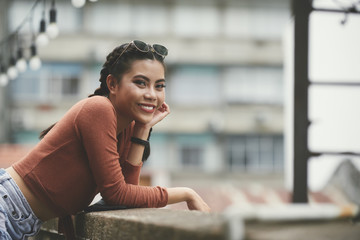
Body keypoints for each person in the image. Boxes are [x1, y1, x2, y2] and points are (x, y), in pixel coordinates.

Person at [0, 40, 210, 240]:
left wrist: (143, 129)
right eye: (140, 83)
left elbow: (125, 197)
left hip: (21, 221)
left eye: (159, 86)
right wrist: (186, 193)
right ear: (113, 84)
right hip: (6, 208)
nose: (152, 95)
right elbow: (117, 194)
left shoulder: (127, 128)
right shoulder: (99, 109)